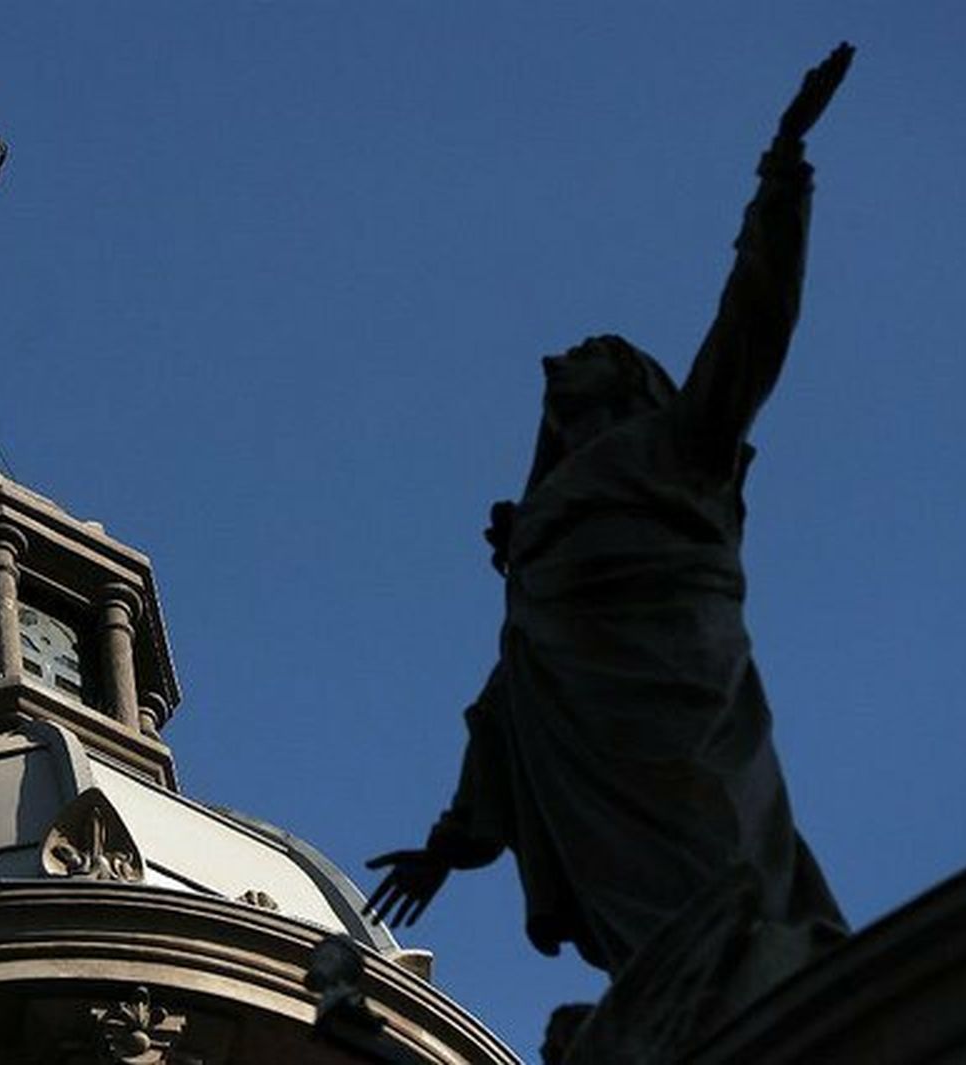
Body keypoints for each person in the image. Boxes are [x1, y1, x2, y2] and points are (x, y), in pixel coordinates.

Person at [365, 45, 856, 1004]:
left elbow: (751, 326)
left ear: (630, 382)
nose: (565, 363)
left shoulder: (681, 447)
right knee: (661, 949)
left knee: (728, 897)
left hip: (679, 707)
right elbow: (516, 686)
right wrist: (455, 840)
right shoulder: (541, 526)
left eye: (592, 355)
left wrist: (784, 173)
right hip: (587, 758)